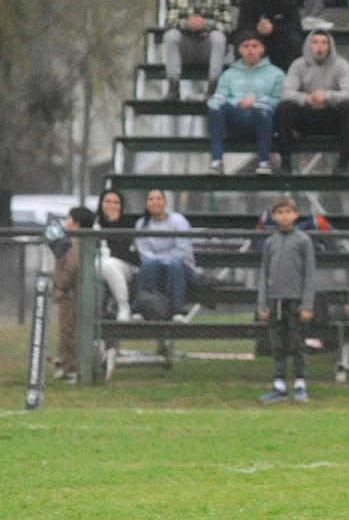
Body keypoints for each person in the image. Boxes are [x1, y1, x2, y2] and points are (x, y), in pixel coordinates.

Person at [257, 196, 317, 404]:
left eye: (288, 212)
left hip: (296, 301)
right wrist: (262, 303)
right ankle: (279, 385)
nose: (284, 216)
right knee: (277, 344)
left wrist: (307, 304)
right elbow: (264, 274)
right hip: (275, 301)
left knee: (298, 343)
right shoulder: (270, 242)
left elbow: (310, 274)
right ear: (273, 216)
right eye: (279, 212)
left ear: (296, 214)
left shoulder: (303, 241)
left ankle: (300, 384)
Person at [277, 30, 349, 174]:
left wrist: (327, 96)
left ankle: (344, 161)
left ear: (329, 46)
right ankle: (285, 159)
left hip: (330, 116)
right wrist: (305, 99)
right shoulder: (298, 64)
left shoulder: (341, 64)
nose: (319, 47)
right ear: (309, 45)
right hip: (306, 116)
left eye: (323, 43)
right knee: (285, 107)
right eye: (315, 42)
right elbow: (286, 92)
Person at [206, 31, 286, 175]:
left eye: (255, 46)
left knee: (262, 108)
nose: (250, 49)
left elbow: (279, 101)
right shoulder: (228, 74)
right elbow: (220, 97)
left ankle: (264, 161)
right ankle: (216, 161)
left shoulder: (277, 74)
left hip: (261, 120)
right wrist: (238, 102)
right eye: (246, 46)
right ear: (240, 50)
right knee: (214, 105)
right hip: (235, 120)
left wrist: (256, 99)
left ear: (262, 49)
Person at [162, 0, 233, 101]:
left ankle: (212, 88)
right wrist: (186, 24)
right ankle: (173, 87)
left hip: (209, 49)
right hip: (185, 49)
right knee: (171, 36)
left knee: (218, 37)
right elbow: (169, 23)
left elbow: (228, 26)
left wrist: (207, 24)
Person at [133, 189, 195, 322]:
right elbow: (145, 254)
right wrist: (161, 259)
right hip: (154, 268)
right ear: (146, 203)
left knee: (175, 264)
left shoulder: (178, 221)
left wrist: (161, 258)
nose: (155, 202)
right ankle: (140, 309)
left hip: (181, 267)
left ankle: (177, 311)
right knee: (149, 264)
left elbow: (182, 250)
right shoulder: (141, 224)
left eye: (159, 198)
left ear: (165, 202)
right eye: (151, 199)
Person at [53, 206, 95, 384]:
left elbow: (71, 267)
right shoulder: (76, 241)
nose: (66, 222)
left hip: (72, 293)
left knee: (69, 330)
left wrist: (60, 286)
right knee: (69, 329)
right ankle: (66, 364)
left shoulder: (74, 242)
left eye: (69, 219)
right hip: (73, 292)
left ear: (76, 223)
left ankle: (72, 369)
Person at [235, 0, 304, 72]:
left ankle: (292, 76)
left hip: (280, 41)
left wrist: (274, 28)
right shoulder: (248, 1)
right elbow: (242, 25)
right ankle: (241, 74)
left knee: (294, 40)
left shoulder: (288, 0)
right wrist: (257, 28)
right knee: (241, 40)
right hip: (257, 40)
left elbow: (295, 26)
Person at [96, 189, 140, 322]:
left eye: (116, 203)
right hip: (96, 265)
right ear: (101, 204)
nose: (112, 206)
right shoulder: (94, 223)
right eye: (108, 202)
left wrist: (113, 224)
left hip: (123, 266)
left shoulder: (128, 224)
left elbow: (123, 252)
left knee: (109, 264)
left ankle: (123, 306)